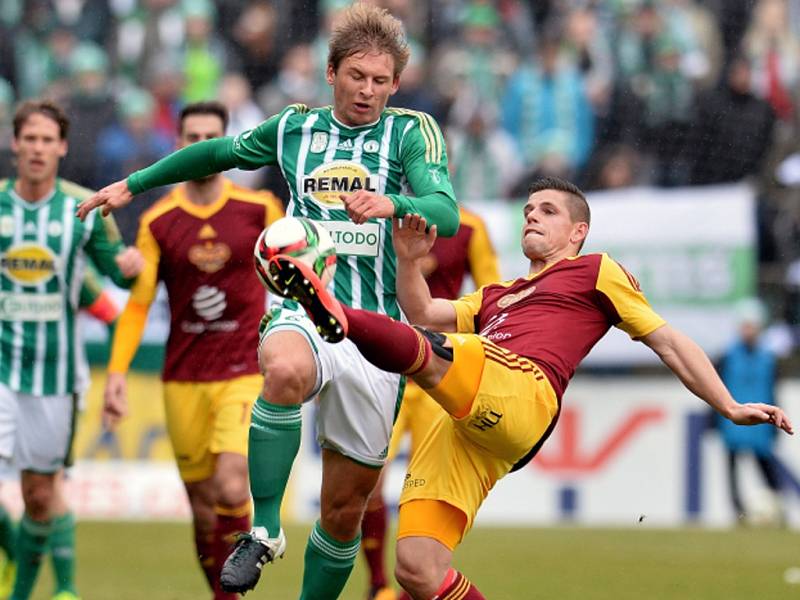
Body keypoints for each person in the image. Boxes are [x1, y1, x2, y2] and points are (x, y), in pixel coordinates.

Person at [77, 4, 459, 598]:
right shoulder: (294, 128)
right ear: (331, 73)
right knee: (282, 369)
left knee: (342, 512)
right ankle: (265, 528)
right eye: (357, 76)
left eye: (380, 81)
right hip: (304, 305)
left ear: (395, 84)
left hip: (375, 327)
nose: (368, 90)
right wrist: (134, 183)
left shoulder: (410, 132)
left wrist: (395, 204)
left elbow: (445, 210)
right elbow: (216, 154)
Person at [267, 176, 794, 600]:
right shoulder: (497, 295)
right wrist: (408, 260)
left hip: (524, 390)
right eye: (527, 210)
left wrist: (727, 403)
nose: (531, 216)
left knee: (437, 351)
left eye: (547, 210)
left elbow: (669, 341)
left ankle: (330, 312)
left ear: (578, 232)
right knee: (418, 569)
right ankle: (335, 316)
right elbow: (424, 310)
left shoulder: (595, 271)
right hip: (471, 426)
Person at [102, 101, 284, 600]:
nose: (201, 147)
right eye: (192, 138)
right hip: (183, 378)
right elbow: (138, 307)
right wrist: (117, 372)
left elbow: (297, 271)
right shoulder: (160, 221)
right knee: (203, 509)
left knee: (231, 487)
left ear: (226, 149)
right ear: (178, 146)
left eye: (212, 138)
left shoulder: (260, 210)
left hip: (244, 370)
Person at [0, 100, 142, 600]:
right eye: (29, 138)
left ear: (61, 147)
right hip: (0, 369)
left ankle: (42, 587)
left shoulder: (82, 208)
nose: (37, 148)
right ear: (15, 143)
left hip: (54, 375)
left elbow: (111, 272)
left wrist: (128, 264)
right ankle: (29, 578)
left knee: (40, 496)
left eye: (47, 140)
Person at [360, 206, 500, 600]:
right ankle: (376, 585)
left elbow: (493, 300)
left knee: (426, 495)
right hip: (383, 371)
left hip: (439, 377)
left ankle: (409, 591)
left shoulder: (472, 227)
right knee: (368, 483)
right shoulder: (377, 222)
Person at [715, 298, 785, 526]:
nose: (748, 331)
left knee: (767, 469)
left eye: (752, 326)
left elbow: (774, 391)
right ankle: (738, 513)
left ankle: (777, 509)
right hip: (732, 424)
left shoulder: (769, 359)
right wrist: (715, 419)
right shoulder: (727, 357)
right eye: (744, 326)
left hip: (760, 425)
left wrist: (776, 422)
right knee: (732, 472)